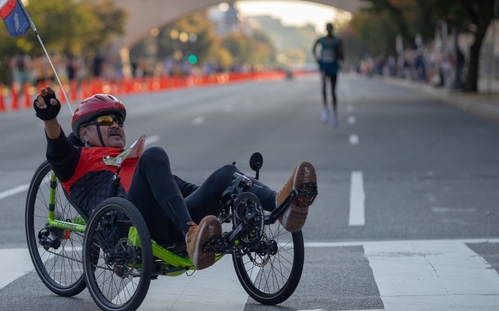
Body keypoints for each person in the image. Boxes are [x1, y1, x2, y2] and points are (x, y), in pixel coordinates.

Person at [33, 88, 317, 269]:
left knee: (226, 174)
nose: (116, 126)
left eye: (119, 121)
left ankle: (282, 206)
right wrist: (50, 119)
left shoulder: (134, 158)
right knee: (155, 155)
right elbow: (57, 149)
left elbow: (181, 190)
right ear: (84, 134)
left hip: (167, 223)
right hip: (125, 231)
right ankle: (191, 234)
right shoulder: (77, 162)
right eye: (106, 122)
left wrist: (222, 193)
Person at [312, 23, 344, 127]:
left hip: (333, 65)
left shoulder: (337, 41)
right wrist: (316, 57)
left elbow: (342, 54)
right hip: (324, 65)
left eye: (331, 29)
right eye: (328, 29)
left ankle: (334, 113)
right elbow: (313, 48)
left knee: (333, 90)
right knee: (324, 86)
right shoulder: (321, 40)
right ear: (326, 29)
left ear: (333, 29)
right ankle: (325, 108)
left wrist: (340, 56)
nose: (329, 30)